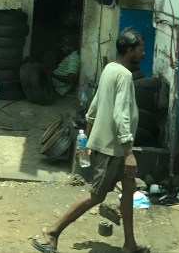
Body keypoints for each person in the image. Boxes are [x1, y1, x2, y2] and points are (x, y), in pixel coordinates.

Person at [31, 28, 147, 253]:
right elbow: (120, 115)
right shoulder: (123, 75)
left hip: (114, 147)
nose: (143, 53)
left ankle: (129, 244)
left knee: (128, 188)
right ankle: (52, 232)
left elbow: (93, 107)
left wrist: (87, 140)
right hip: (114, 149)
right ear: (129, 50)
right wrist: (129, 153)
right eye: (140, 49)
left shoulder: (110, 68)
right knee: (96, 195)